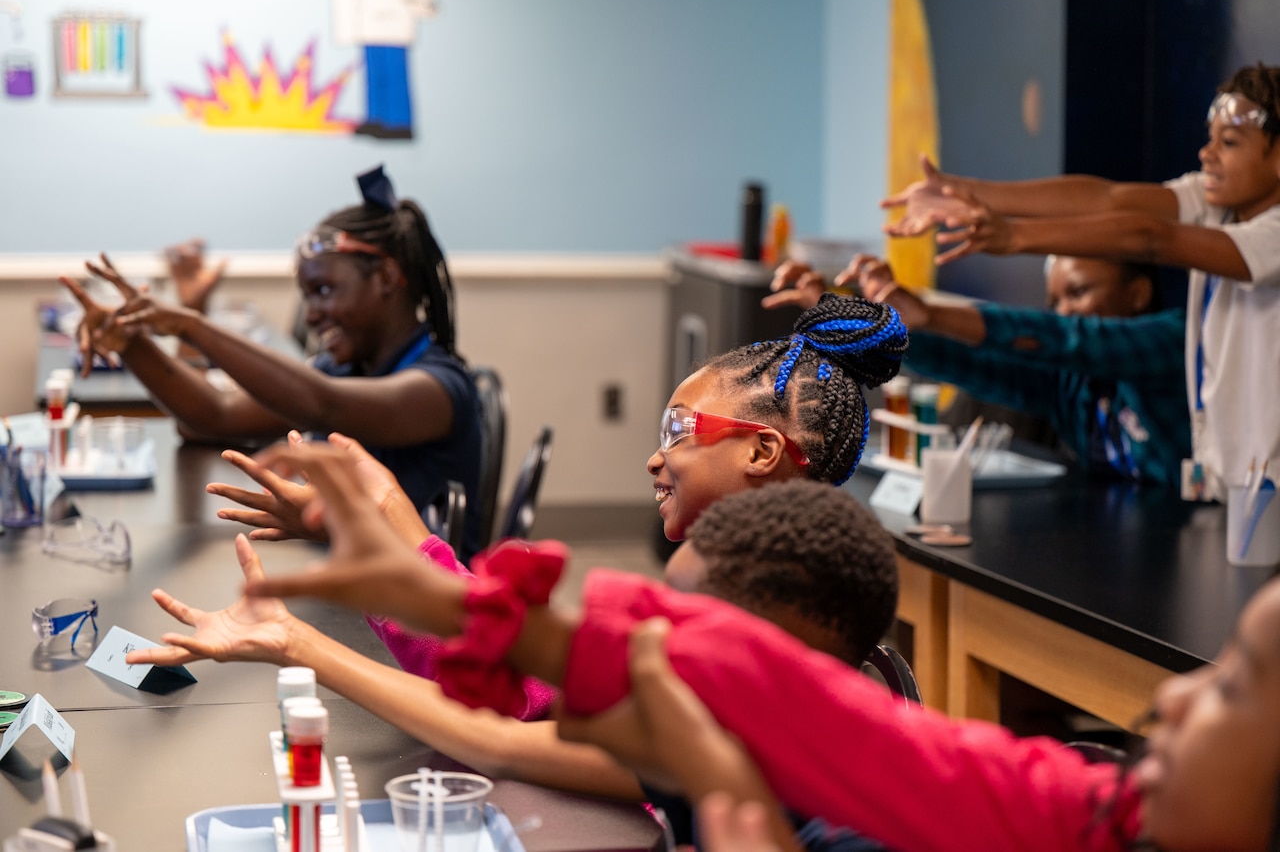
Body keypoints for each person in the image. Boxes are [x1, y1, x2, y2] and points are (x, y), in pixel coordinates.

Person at [236, 446, 1280, 852]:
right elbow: (807, 714)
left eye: (1234, 687)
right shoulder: (1101, 809)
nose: (1177, 697)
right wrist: (474, 610)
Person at [125, 295, 907, 805]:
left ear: (763, 451)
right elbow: (543, 682)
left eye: (676, 430)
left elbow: (506, 734)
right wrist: (387, 518)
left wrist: (295, 640)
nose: (654, 457)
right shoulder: (744, 597)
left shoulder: (753, 648)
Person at [881, 63, 1280, 501]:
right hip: (1235, 494)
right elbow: (1107, 198)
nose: (1206, 153)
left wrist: (1015, 236)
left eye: (1229, 142)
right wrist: (959, 192)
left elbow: (1149, 237)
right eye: (1210, 137)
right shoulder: (1215, 205)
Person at [60, 165, 485, 559]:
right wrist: (133, 345)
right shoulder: (342, 370)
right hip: (356, 588)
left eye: (323, 290)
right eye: (307, 296)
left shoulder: (437, 390)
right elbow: (213, 415)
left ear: (387, 278)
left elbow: (324, 404)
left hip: (425, 611)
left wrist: (191, 325)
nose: (312, 315)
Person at [765, 253, 1190, 487]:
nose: (1064, 313)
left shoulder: (1176, 342)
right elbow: (975, 364)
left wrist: (932, 314)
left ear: (1138, 293)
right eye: (1055, 302)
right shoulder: (1073, 381)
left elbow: (1066, 337)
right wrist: (854, 319)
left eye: (1078, 293)